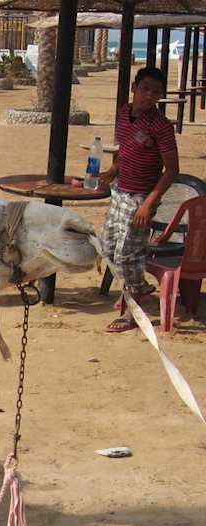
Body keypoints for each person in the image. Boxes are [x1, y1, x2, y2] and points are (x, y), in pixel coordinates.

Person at [98, 66, 179, 333]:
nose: (150, 96)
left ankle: (132, 312)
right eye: (145, 89)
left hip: (141, 198)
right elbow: (126, 148)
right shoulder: (124, 113)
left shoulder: (161, 126)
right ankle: (140, 288)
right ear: (134, 88)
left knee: (127, 255)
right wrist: (112, 170)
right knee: (107, 248)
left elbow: (172, 170)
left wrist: (148, 203)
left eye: (156, 92)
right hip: (120, 192)